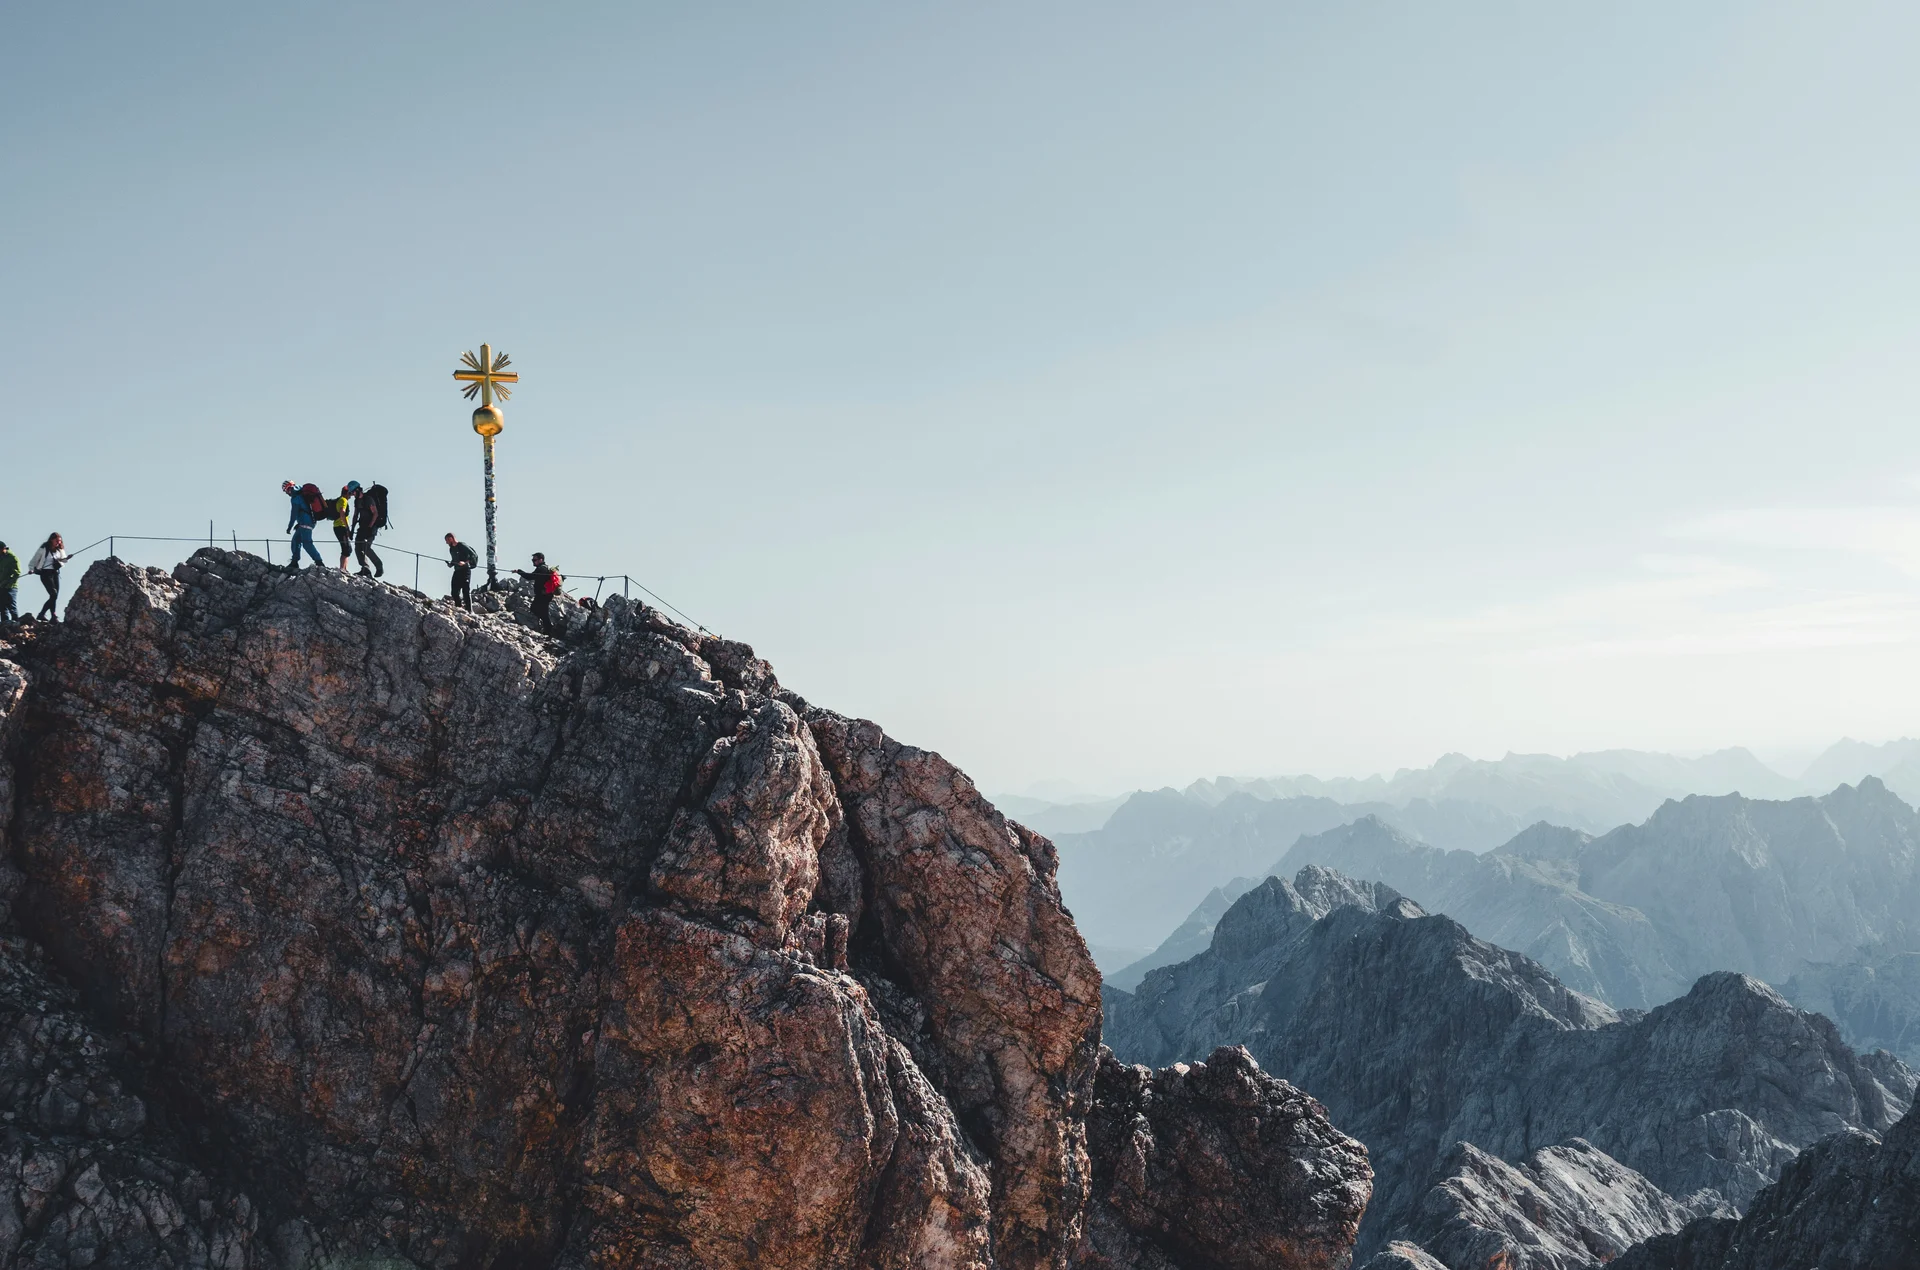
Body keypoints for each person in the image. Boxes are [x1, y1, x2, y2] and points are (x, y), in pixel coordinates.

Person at [282, 481, 325, 573]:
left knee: (307, 543)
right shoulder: (301, 492)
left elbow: (293, 514)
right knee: (296, 540)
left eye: (286, 491)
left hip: (305, 522)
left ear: (288, 489)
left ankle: (319, 562)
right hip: (309, 521)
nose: (287, 493)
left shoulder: (295, 498)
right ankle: (294, 562)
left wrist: (289, 527)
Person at [513, 552, 562, 634]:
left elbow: (530, 577)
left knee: (537, 609)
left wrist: (519, 571)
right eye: (532, 560)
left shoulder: (541, 569)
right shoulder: (544, 568)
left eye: (534, 560)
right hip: (545, 594)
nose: (533, 561)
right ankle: (548, 629)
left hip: (543, 595)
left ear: (541, 560)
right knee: (540, 611)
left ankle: (549, 630)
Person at [348, 480, 385, 578]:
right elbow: (355, 515)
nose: (352, 494)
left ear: (357, 490)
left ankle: (379, 566)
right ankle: (365, 569)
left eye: (352, 492)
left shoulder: (368, 499)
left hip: (371, 527)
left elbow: (375, 513)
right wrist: (352, 530)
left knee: (366, 547)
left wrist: (370, 528)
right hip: (362, 527)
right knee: (357, 547)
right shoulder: (357, 501)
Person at [28, 533, 68, 620]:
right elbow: (33, 561)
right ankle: (44, 614)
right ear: (51, 540)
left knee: (55, 596)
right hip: (45, 573)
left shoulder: (60, 550)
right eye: (56, 540)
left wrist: (66, 558)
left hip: (55, 573)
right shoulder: (44, 548)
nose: (58, 542)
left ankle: (52, 616)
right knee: (53, 594)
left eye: (59, 541)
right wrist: (31, 569)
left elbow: (64, 560)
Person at [444, 533, 477, 611]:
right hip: (457, 571)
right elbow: (454, 559)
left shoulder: (462, 545)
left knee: (465, 591)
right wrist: (450, 564)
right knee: (454, 592)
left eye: (447, 540)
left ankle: (469, 610)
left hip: (465, 571)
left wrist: (465, 563)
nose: (446, 543)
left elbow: (473, 555)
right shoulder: (451, 549)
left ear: (451, 538)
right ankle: (459, 608)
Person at [330, 487, 354, 570]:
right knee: (346, 549)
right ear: (347, 493)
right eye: (350, 493)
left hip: (338, 527)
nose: (351, 496)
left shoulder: (339, 500)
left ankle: (344, 569)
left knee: (347, 549)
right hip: (341, 527)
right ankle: (342, 569)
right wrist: (347, 528)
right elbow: (342, 513)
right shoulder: (343, 500)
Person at [0, 542, 19, 624]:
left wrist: (8, 583)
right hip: (1, 586)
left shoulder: (12, 558)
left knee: (11, 606)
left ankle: (16, 623)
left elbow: (17, 573)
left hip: (11, 587)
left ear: (3, 549)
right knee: (2, 607)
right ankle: (5, 624)